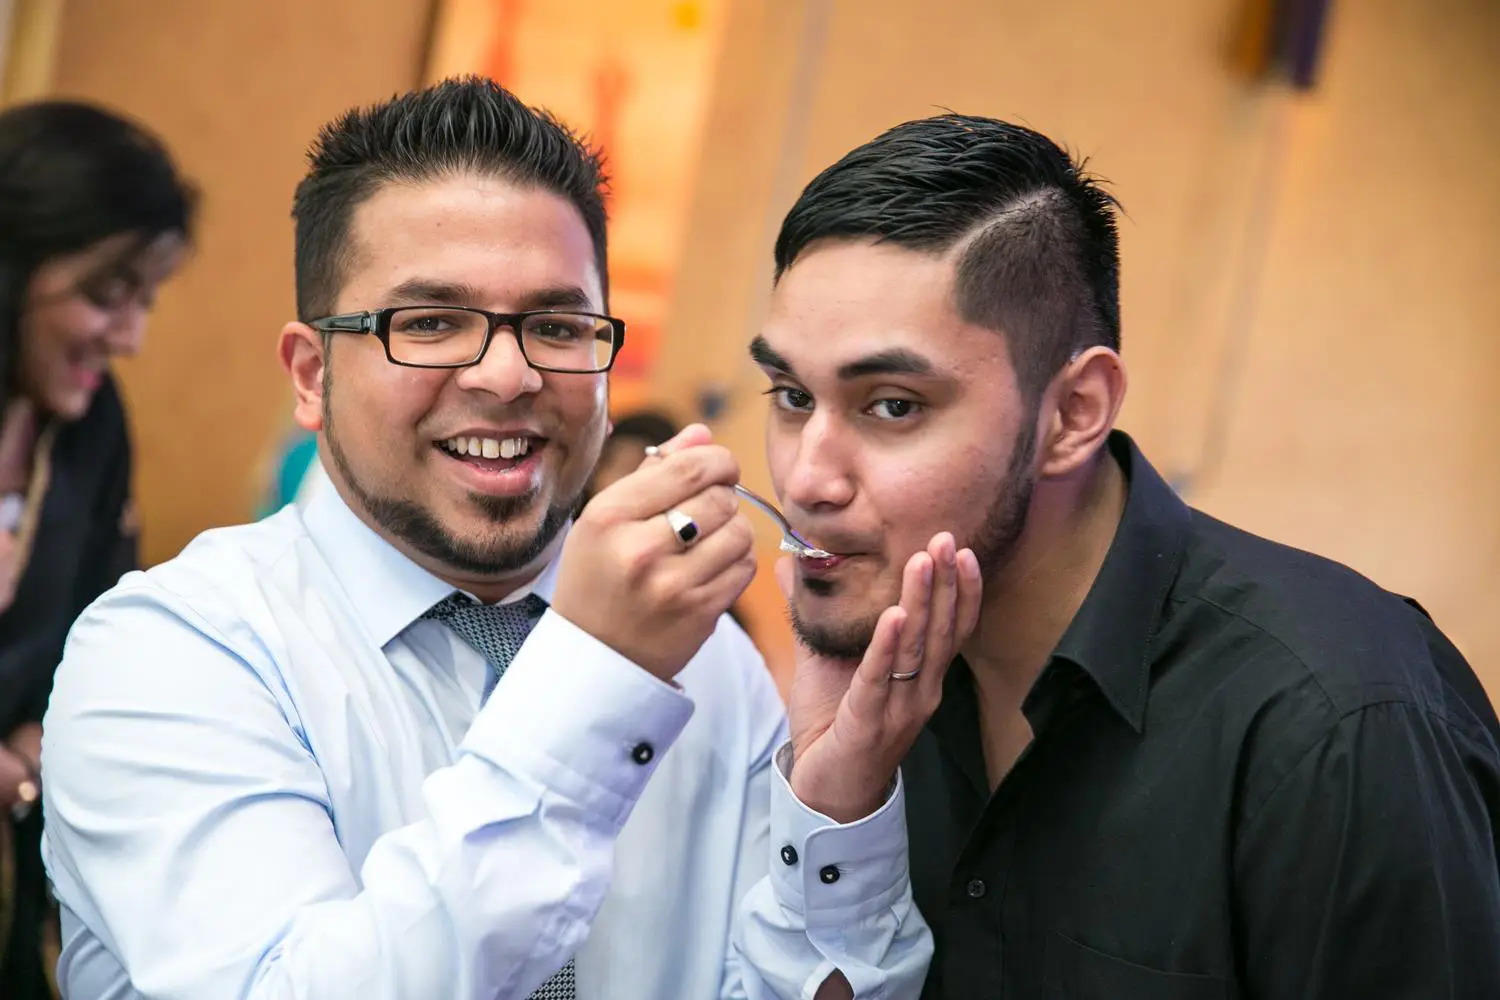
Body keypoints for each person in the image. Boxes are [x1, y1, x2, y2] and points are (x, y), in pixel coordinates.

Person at [40, 78, 979, 1000]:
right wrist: (598, 676)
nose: (506, 374)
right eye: (432, 322)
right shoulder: (171, 652)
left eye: (556, 325)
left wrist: (838, 802)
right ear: (312, 373)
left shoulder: (711, 667)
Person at [752, 114, 1500, 998]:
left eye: (893, 406)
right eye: (793, 395)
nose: (807, 478)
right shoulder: (868, 699)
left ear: (1072, 413)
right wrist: (836, 812)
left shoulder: (1336, 724)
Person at [0, 100, 193, 998]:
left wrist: (52, 738)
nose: (129, 338)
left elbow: (104, 629)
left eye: (143, 300)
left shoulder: (87, 429)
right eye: (103, 295)